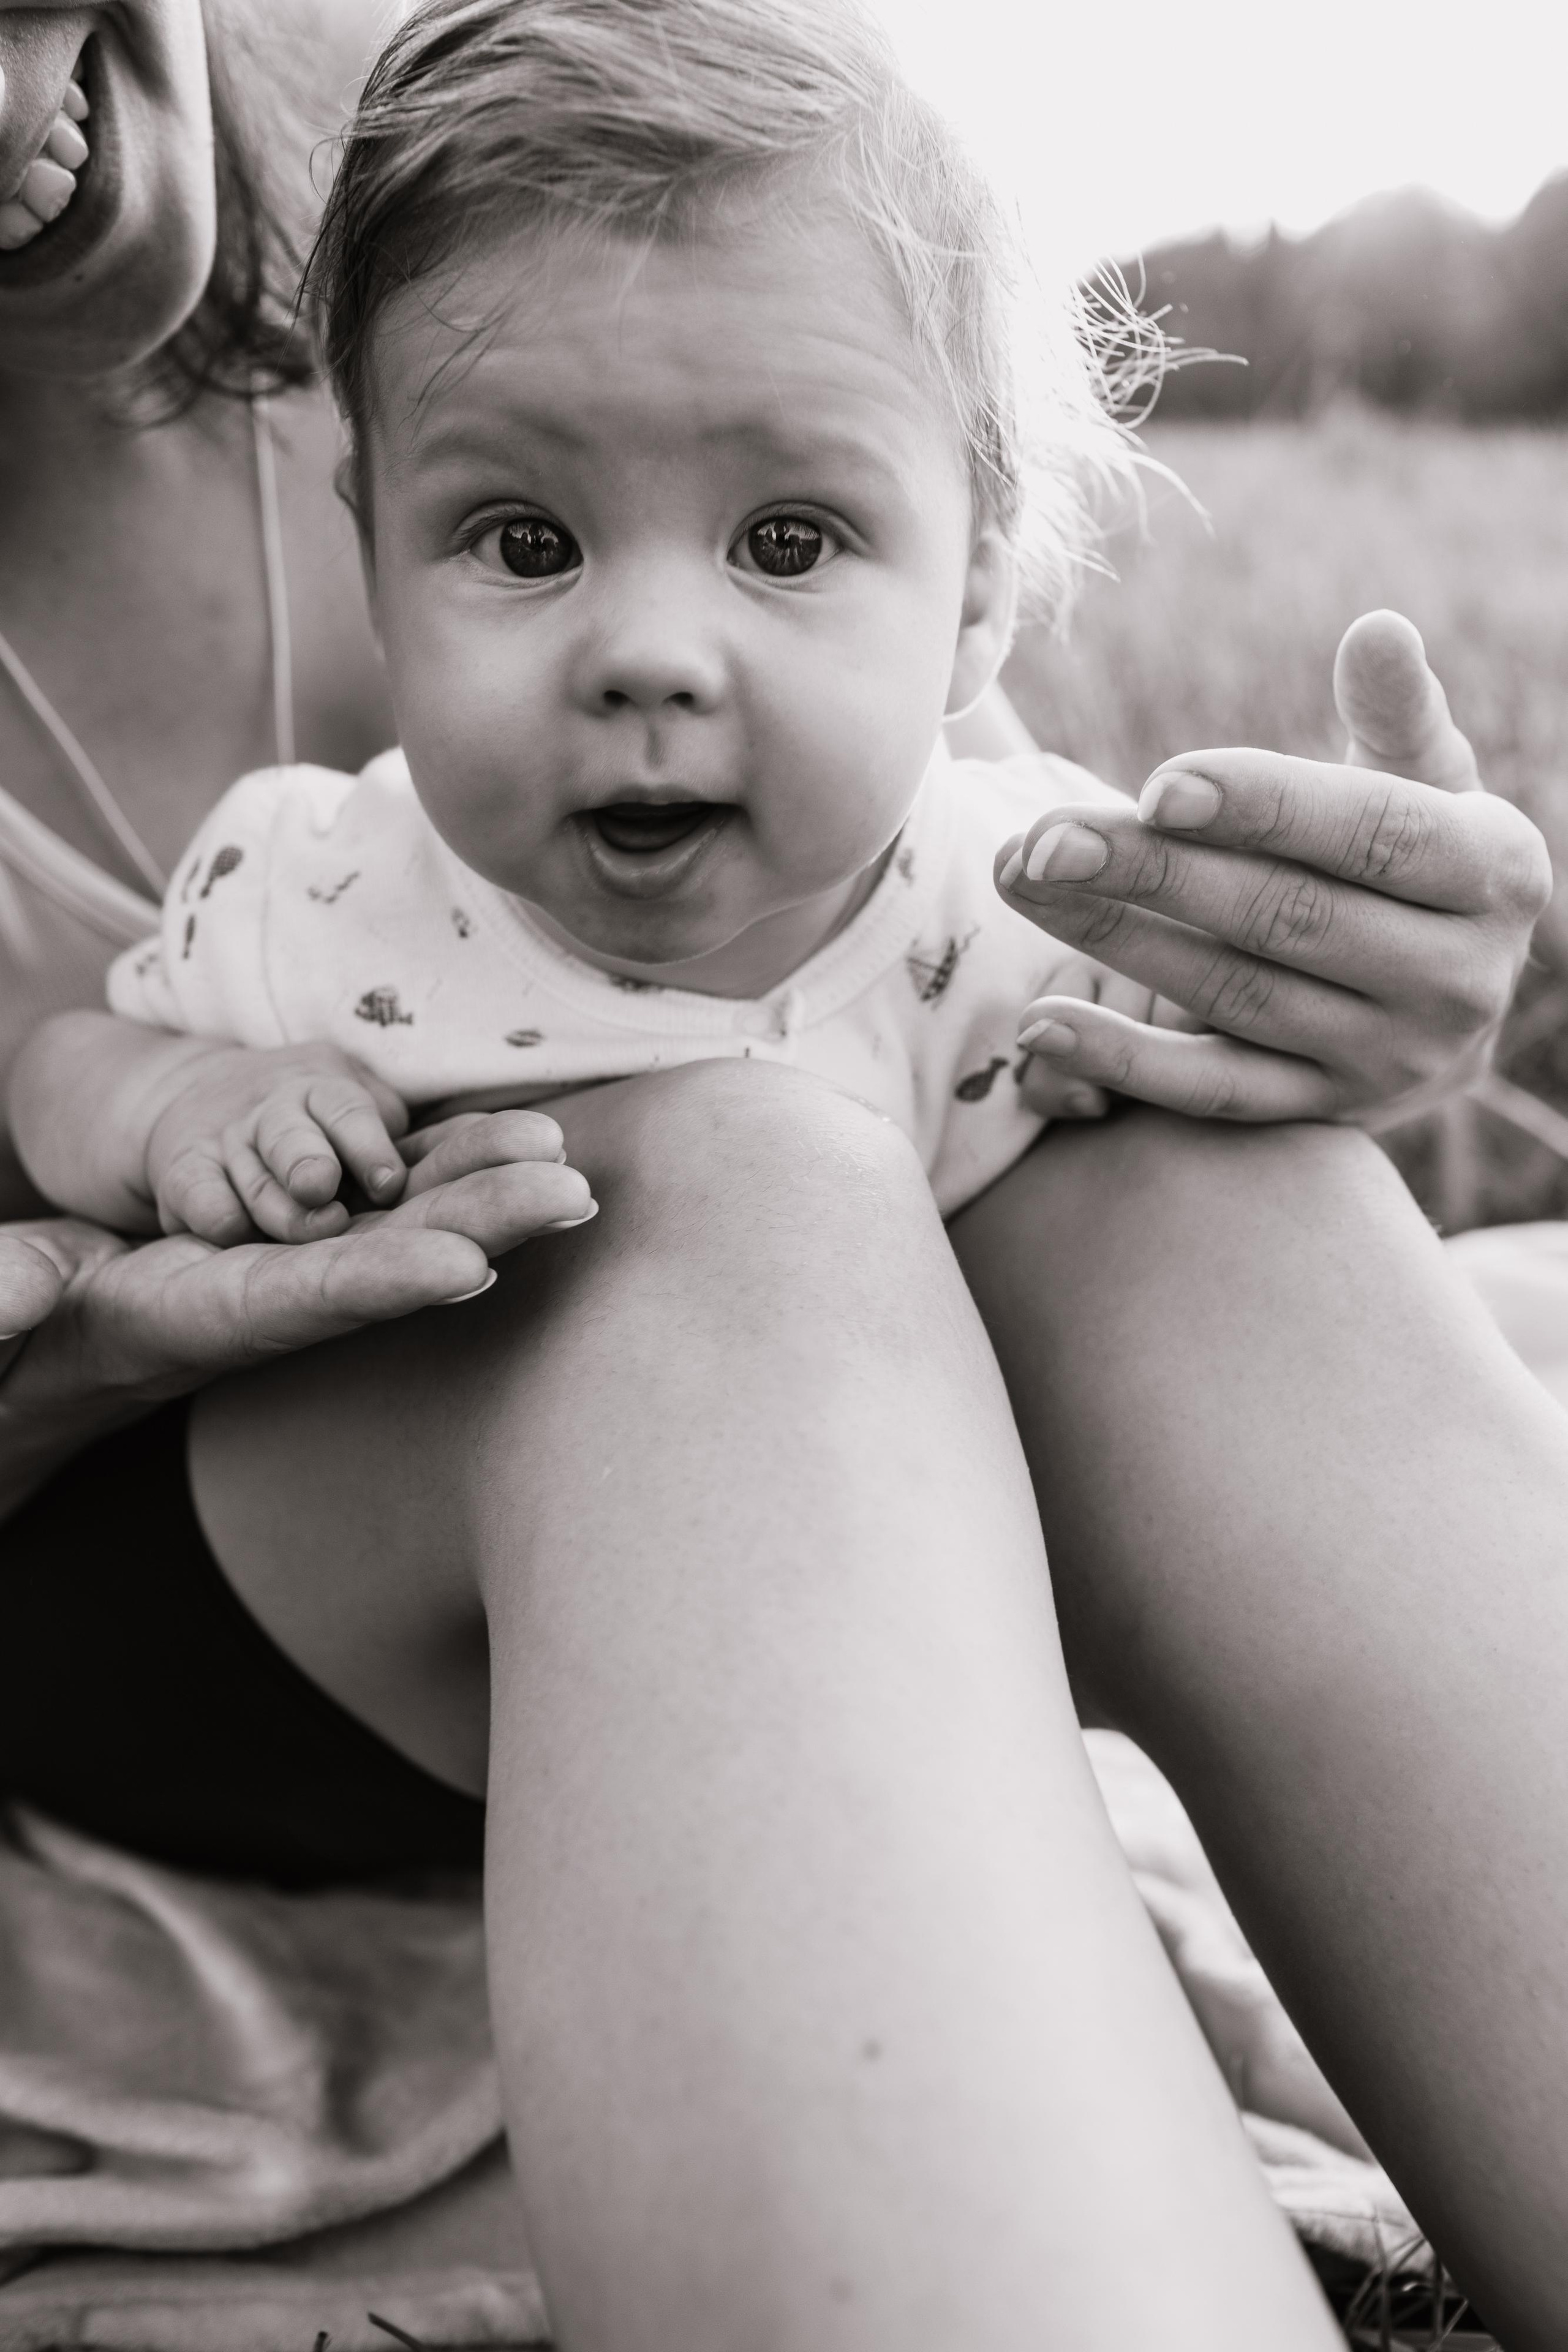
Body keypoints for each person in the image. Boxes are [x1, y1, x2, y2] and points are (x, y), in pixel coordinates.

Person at [1, 2, 1566, 2348]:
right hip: (135, 1579)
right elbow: (84, 1055)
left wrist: (1271, 993)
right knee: (695, 1208)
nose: (650, 653)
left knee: (1173, 1188)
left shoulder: (528, 126)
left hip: (757, 1444)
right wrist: (128, 1205)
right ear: (385, 519)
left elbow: (956, 895)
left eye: (787, 539)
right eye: (522, 542)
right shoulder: (301, 896)